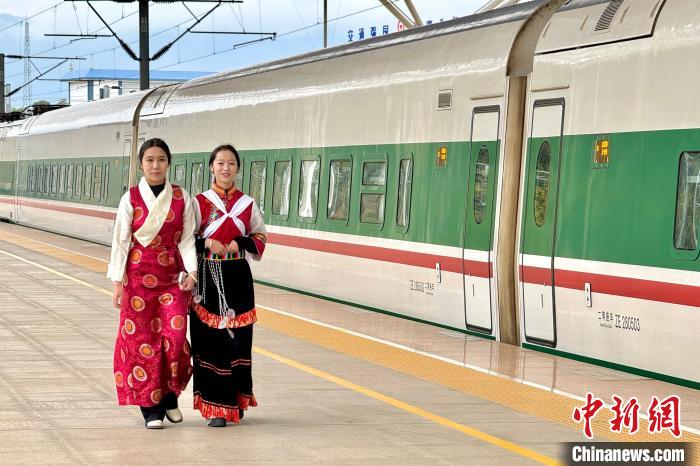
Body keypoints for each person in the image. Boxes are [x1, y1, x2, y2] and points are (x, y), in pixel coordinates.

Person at [108, 138, 198, 429]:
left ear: (168, 163)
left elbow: (187, 239)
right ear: (141, 164)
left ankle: (170, 394)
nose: (156, 165)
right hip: (136, 280)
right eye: (150, 160)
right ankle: (151, 408)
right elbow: (121, 241)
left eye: (161, 159)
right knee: (142, 342)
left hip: (172, 279)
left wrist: (192, 273)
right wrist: (117, 282)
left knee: (175, 338)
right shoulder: (131, 198)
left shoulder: (182, 197)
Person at [190, 144, 267, 427]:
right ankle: (216, 408)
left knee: (239, 341)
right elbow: (185, 239)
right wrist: (206, 243)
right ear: (211, 167)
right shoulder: (199, 203)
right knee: (212, 342)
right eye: (220, 163)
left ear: (238, 168)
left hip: (238, 276)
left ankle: (236, 400)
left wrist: (241, 242)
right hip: (208, 276)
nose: (226, 168)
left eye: (231, 163)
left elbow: (260, 236)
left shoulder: (248, 204)